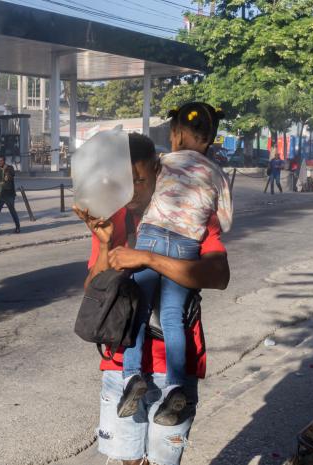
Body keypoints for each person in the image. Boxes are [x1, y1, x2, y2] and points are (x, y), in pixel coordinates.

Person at [75, 132, 230, 465]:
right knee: (127, 460)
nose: (132, 192)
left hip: (173, 363)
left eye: (140, 181)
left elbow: (219, 276)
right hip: (122, 366)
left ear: (158, 172)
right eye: (124, 182)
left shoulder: (191, 211)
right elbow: (93, 289)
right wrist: (104, 245)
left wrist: (148, 258)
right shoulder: (111, 218)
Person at [118, 103, 231, 427]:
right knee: (173, 319)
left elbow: (145, 187)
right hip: (186, 247)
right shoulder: (218, 175)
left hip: (152, 237)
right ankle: (177, 385)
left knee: (138, 310)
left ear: (175, 134)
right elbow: (224, 219)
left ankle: (131, 377)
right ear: (210, 138)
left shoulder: (164, 162)